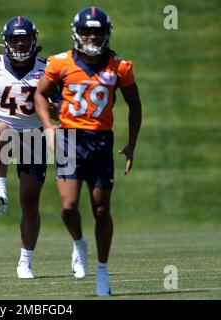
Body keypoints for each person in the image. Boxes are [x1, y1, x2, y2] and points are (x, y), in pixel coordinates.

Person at [34, 7, 142, 296]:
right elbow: (40, 94)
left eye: (97, 32)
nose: (91, 37)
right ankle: (79, 243)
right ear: (76, 33)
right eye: (86, 31)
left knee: (101, 208)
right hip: (69, 138)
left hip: (101, 141)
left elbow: (135, 104)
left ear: (106, 34)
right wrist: (47, 126)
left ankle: (103, 271)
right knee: (68, 207)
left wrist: (132, 144)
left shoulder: (120, 67)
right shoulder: (60, 63)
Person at [0, 16, 56, 279]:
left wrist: (55, 110)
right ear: (5, 41)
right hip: (3, 132)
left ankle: (25, 261)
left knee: (30, 202)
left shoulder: (47, 69)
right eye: (14, 38)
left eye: (24, 38)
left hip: (35, 137)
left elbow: (62, 108)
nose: (19, 43)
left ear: (33, 40)